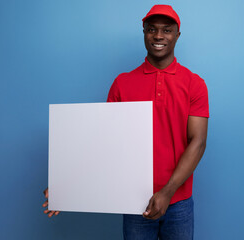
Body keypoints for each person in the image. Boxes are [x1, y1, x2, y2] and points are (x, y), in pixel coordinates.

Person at [43, 4, 209, 240]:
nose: (159, 36)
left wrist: (167, 192)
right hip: (135, 202)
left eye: (167, 30)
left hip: (178, 202)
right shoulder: (123, 83)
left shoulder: (195, 84)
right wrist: (66, 187)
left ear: (177, 35)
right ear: (144, 32)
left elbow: (198, 142)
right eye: (152, 29)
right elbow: (106, 143)